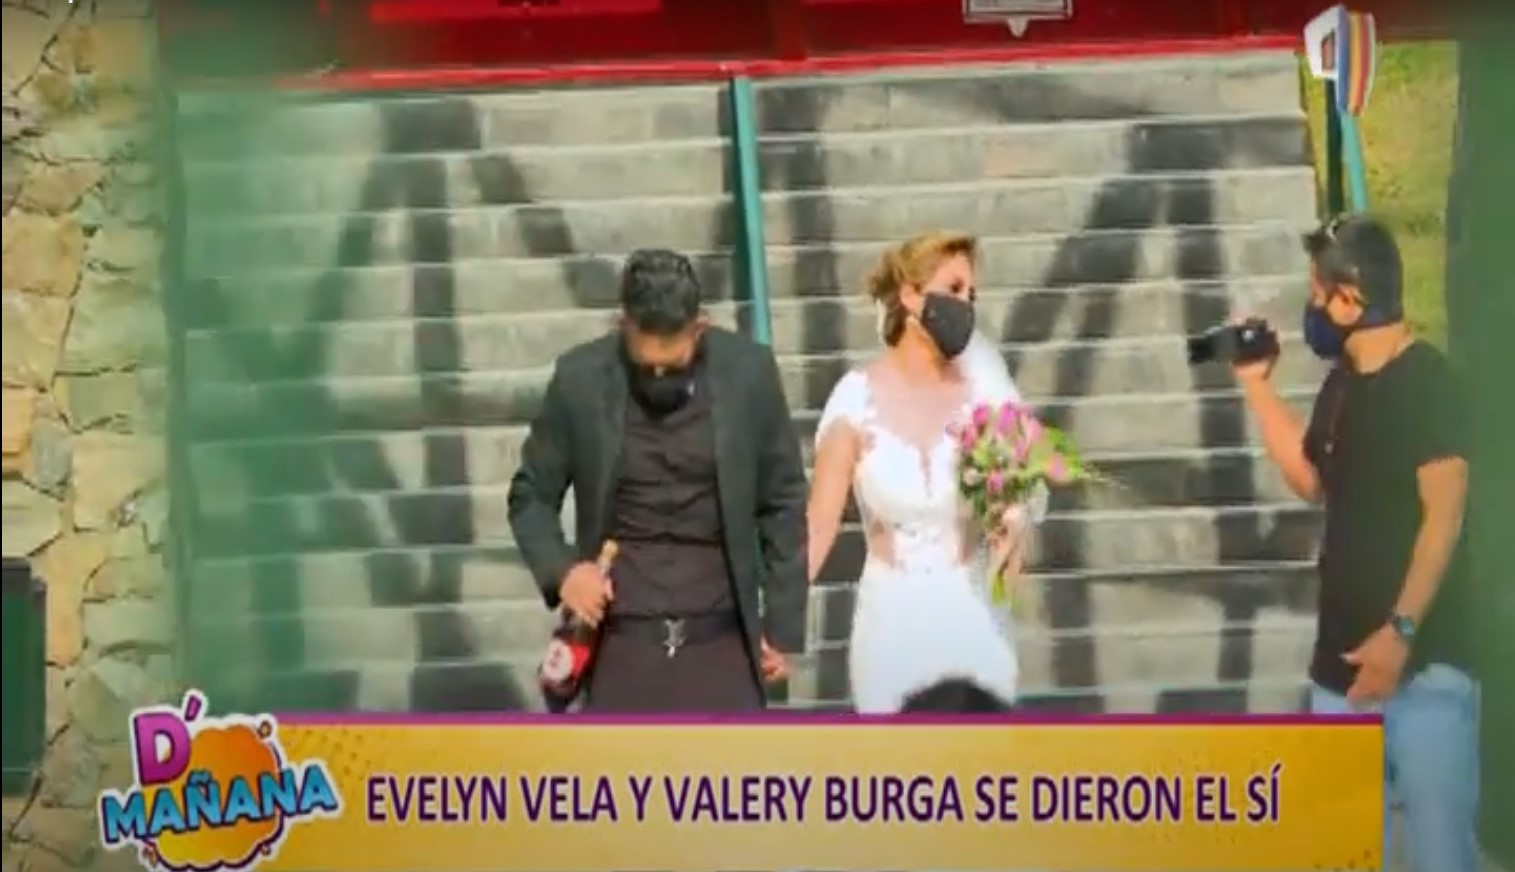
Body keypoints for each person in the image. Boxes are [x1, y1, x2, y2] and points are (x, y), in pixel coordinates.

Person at [1236, 214, 1479, 872]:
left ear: (1350, 300)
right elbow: (1313, 479)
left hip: (1425, 672)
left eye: (1317, 295)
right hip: (1339, 676)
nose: (1311, 310)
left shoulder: (1429, 382)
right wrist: (1256, 386)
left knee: (1441, 855)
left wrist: (1399, 632)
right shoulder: (1341, 385)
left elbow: (1444, 515)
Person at [507, 249, 808, 712]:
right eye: (647, 365)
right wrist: (564, 572)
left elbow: (783, 498)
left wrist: (782, 624)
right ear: (623, 325)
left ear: (700, 327)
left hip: (723, 642)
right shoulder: (580, 379)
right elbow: (530, 495)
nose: (660, 375)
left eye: (674, 362)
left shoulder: (748, 374)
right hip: (621, 645)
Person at [805, 230, 1045, 714]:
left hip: (973, 615)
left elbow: (1017, 500)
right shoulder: (855, 399)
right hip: (892, 621)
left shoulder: (984, 399)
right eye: (953, 289)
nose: (965, 304)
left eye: (971, 295)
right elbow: (819, 523)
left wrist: (1010, 523)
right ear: (911, 296)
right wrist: (774, 621)